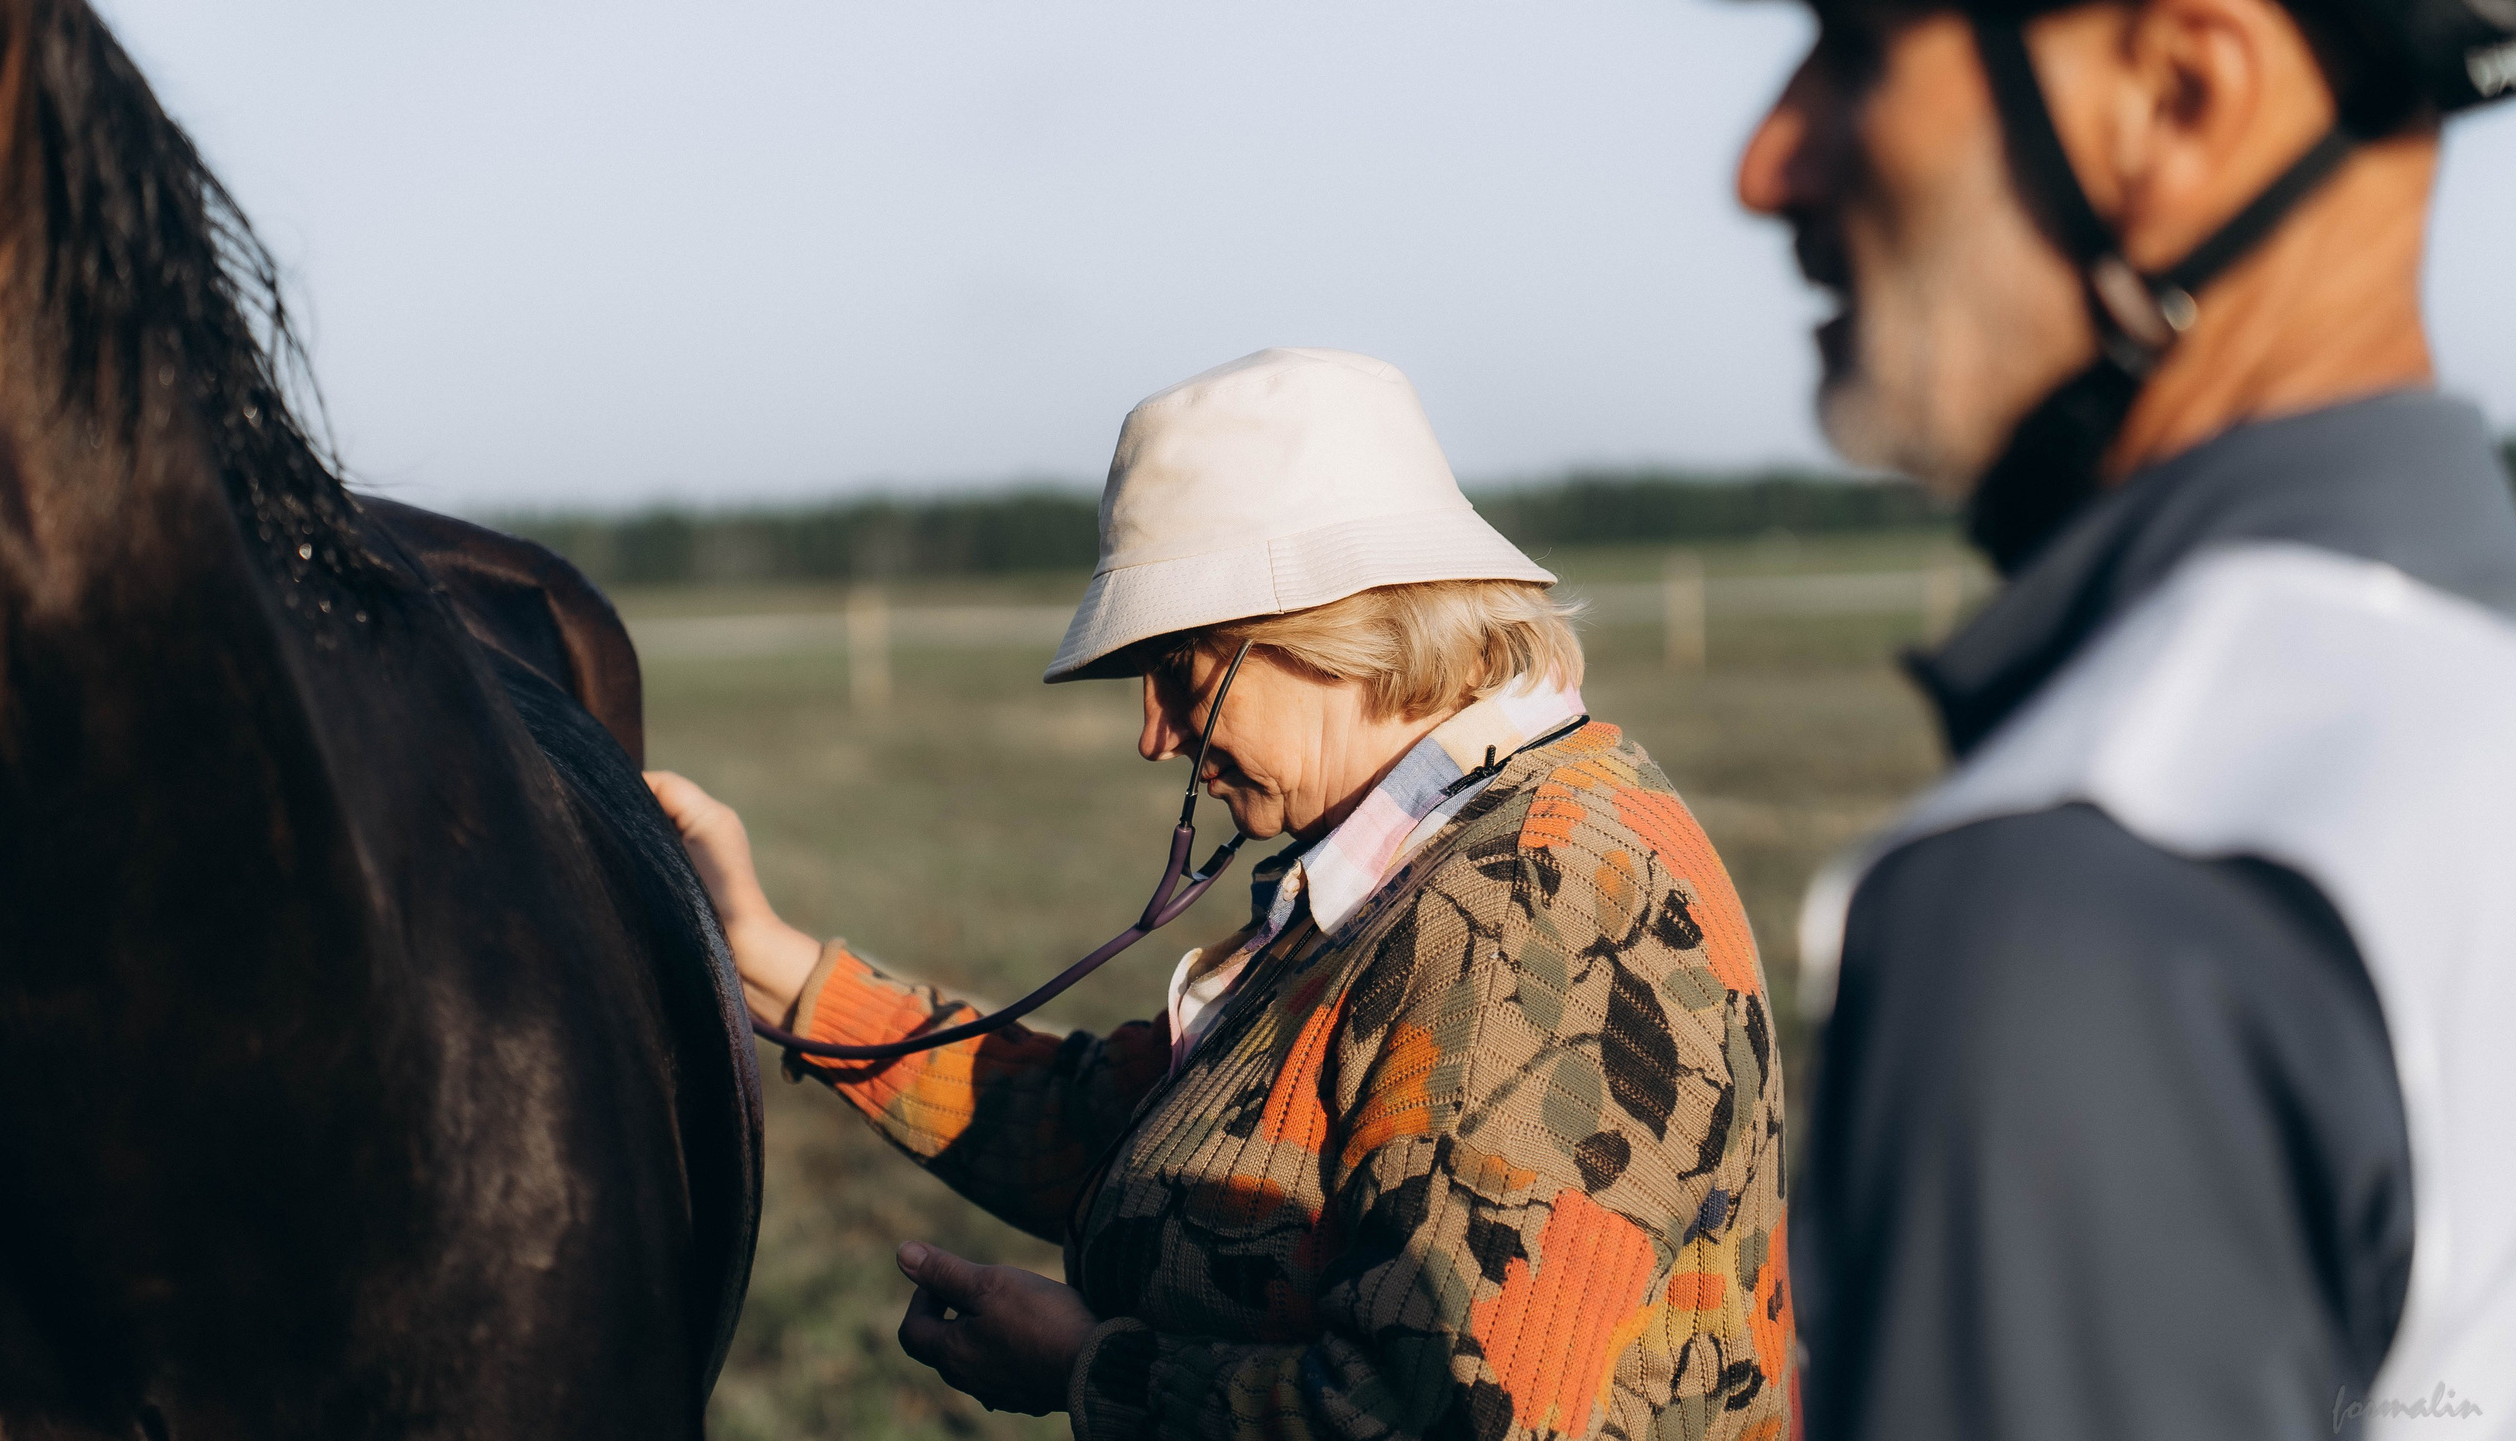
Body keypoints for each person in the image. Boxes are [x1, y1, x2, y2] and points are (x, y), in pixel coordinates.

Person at [650, 347, 1796, 1440]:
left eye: (1179, 664)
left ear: (1329, 628)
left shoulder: (1531, 906)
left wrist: (1089, 1371)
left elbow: (1448, 1417)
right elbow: (1118, 1130)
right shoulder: (1412, 865)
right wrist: (767, 960)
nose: (1155, 735)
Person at [1737, 0, 2516, 1435]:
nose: (1765, 165)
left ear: (2176, 94)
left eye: (1855, 48)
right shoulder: (2461, 692)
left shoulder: (2083, 898)